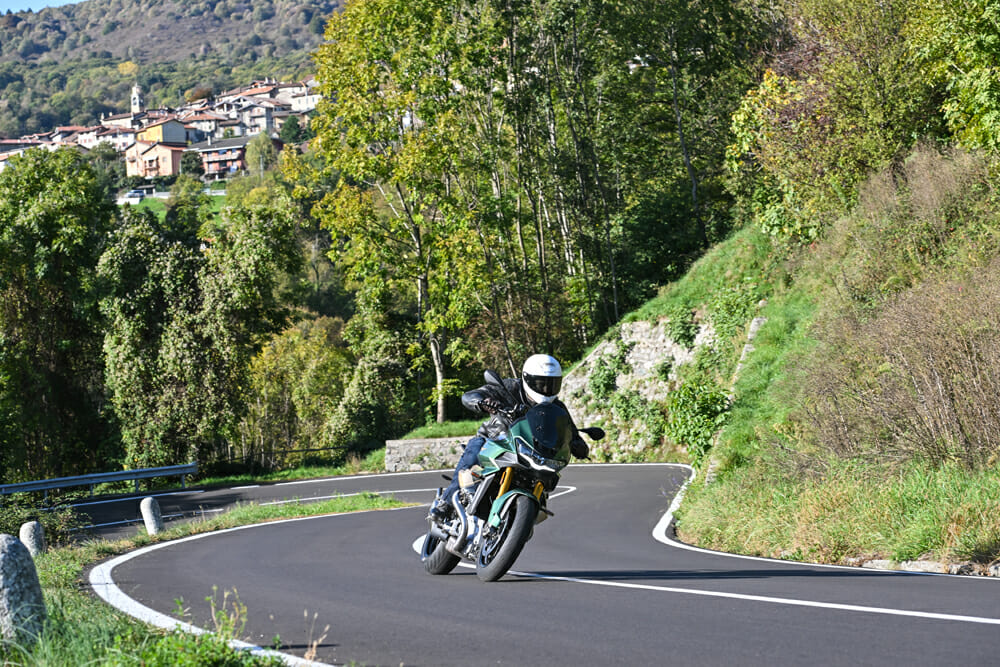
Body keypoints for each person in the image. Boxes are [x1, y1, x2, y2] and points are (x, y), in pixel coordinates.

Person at [429, 353, 589, 520]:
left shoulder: (556, 407)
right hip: (497, 440)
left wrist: (578, 445)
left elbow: (569, 430)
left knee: (549, 479)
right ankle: (446, 503)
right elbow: (472, 395)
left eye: (551, 384)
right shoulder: (509, 388)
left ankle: (524, 515)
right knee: (475, 449)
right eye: (540, 383)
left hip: (531, 452)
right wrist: (482, 402)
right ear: (527, 379)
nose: (545, 389)